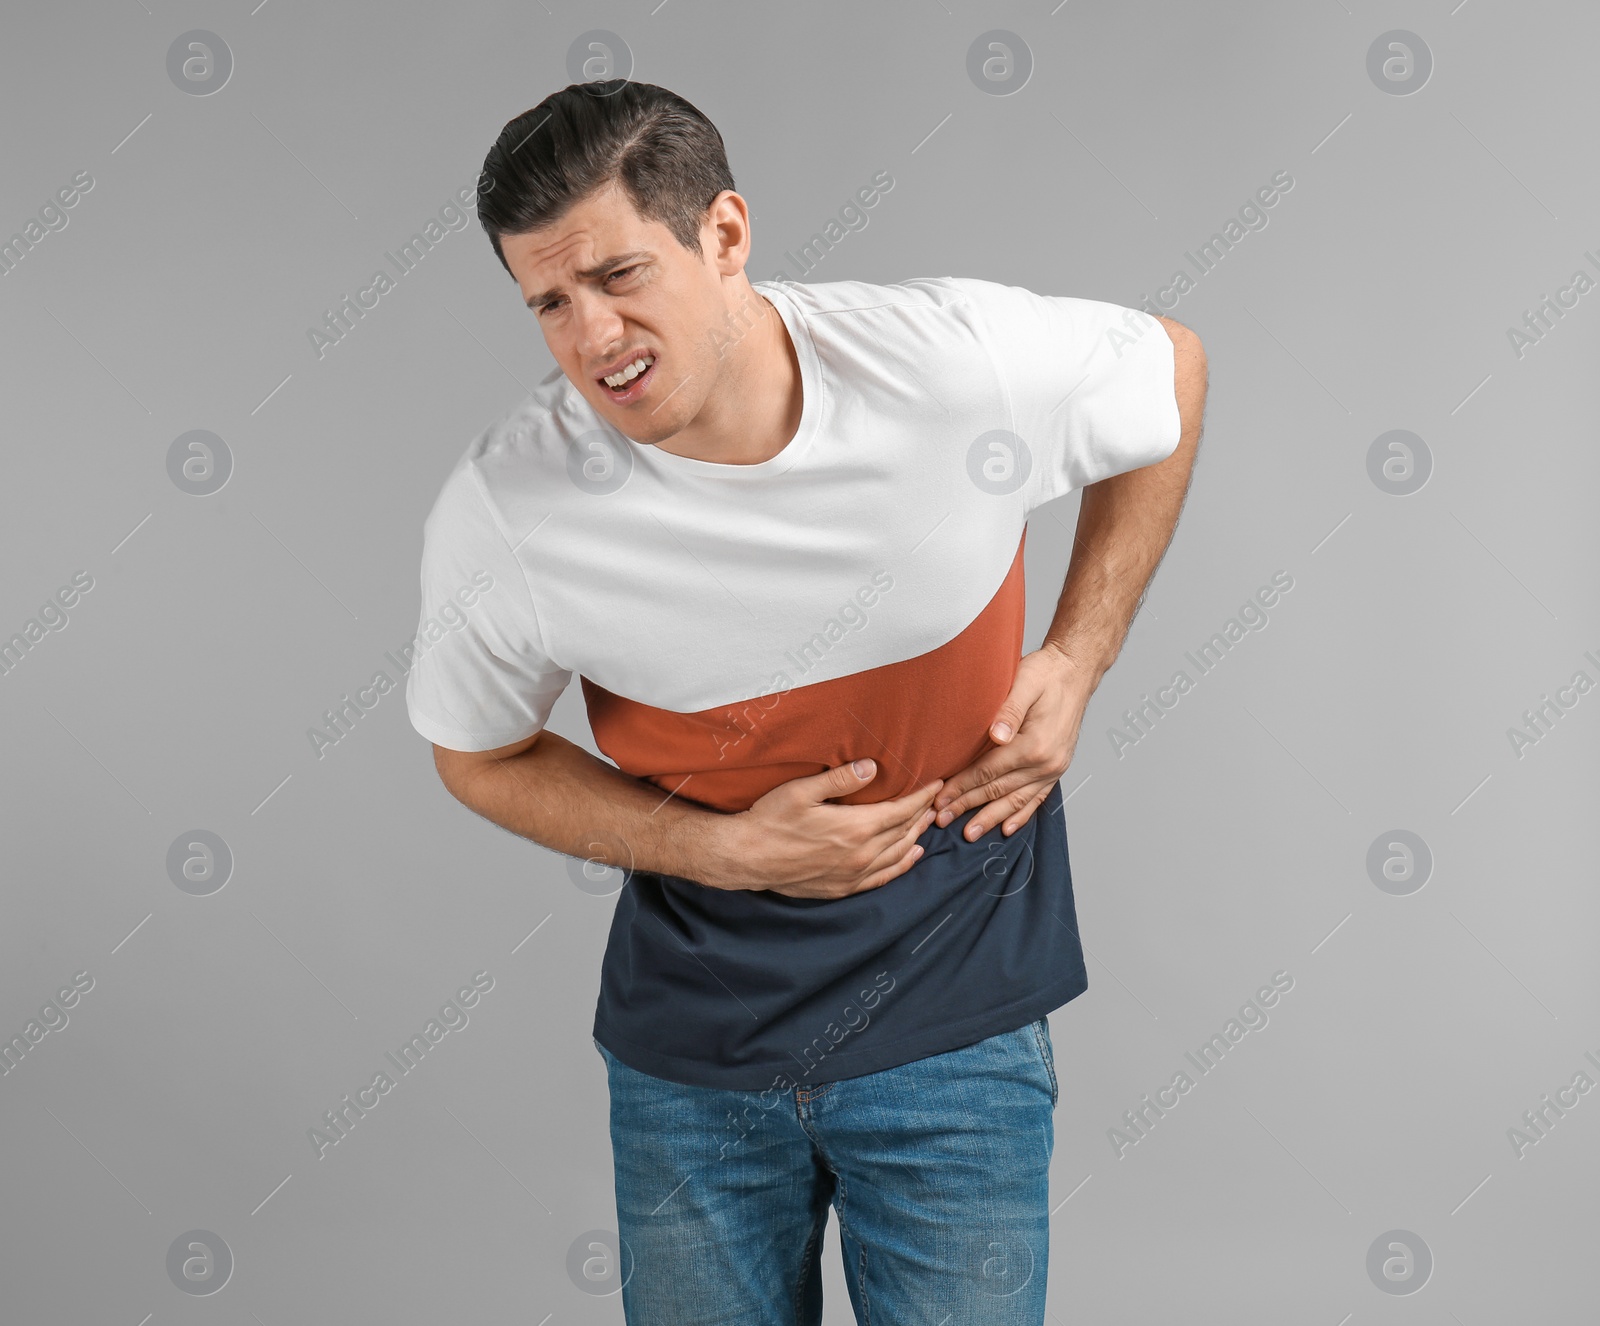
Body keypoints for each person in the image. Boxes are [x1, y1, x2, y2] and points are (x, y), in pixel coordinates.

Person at [406, 78, 1205, 1326]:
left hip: (958, 1034)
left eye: (619, 275)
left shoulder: (948, 367)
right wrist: (718, 850)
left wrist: (1078, 655)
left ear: (723, 235)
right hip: (692, 1066)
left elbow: (1168, 371)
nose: (590, 333)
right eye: (549, 302)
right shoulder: (511, 510)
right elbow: (478, 754)